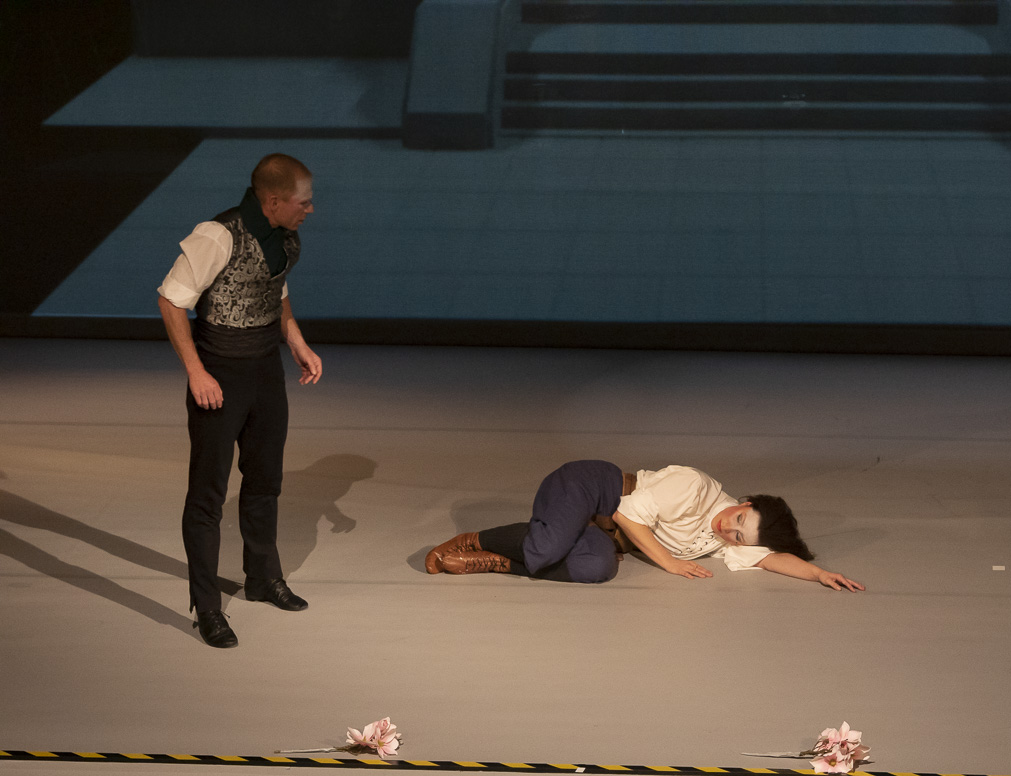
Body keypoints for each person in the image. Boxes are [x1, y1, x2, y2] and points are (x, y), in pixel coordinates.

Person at [157, 153, 322, 648]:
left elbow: (274, 285)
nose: (310, 210)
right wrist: (196, 372)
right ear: (273, 201)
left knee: (265, 480)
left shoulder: (284, 235)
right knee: (208, 494)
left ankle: (263, 577)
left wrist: (296, 340)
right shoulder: (217, 236)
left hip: (265, 369)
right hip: (220, 373)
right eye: (303, 202)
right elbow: (171, 300)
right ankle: (207, 606)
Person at [426, 461, 863, 591]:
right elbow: (627, 514)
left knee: (597, 569)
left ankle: (498, 562)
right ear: (744, 503)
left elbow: (770, 559)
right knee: (545, 550)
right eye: (738, 520)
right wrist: (669, 562)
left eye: (737, 536)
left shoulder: (728, 541)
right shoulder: (696, 487)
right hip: (593, 490)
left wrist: (819, 574)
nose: (727, 530)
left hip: (608, 535)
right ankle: (473, 540)